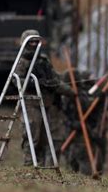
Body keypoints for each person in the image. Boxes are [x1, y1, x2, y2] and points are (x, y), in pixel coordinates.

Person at [15, 29, 75, 166]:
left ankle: (40, 164)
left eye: (37, 41)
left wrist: (66, 89)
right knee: (31, 136)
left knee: (43, 138)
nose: (35, 44)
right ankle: (30, 164)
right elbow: (17, 81)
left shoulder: (43, 60)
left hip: (45, 103)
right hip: (30, 103)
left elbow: (55, 79)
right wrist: (34, 83)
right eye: (31, 42)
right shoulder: (22, 61)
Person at [62, 70, 108, 175]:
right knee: (76, 158)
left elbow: (91, 106)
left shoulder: (81, 93)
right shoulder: (69, 95)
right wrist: (73, 123)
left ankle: (85, 177)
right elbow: (70, 111)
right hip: (73, 132)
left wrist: (102, 96)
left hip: (82, 131)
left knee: (82, 157)